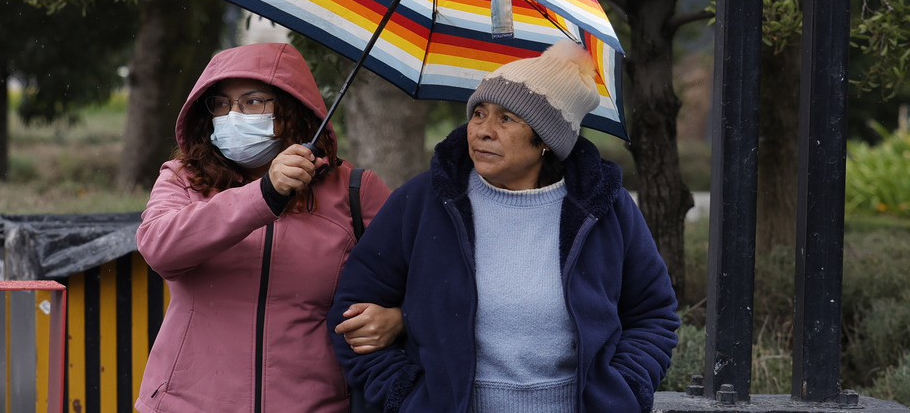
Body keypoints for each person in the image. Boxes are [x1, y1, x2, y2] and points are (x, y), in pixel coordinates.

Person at [329, 40, 679, 413]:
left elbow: (653, 315)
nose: (482, 130)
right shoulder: (425, 201)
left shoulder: (604, 208)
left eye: (506, 118)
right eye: (479, 113)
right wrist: (407, 397)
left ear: (546, 139)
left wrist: (621, 393)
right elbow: (351, 311)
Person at [135, 42, 403, 413]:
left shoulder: (356, 190)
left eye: (253, 101)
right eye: (222, 104)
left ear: (292, 108)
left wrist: (398, 318)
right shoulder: (185, 177)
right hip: (187, 403)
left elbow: (427, 274)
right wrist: (264, 194)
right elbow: (159, 248)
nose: (233, 115)